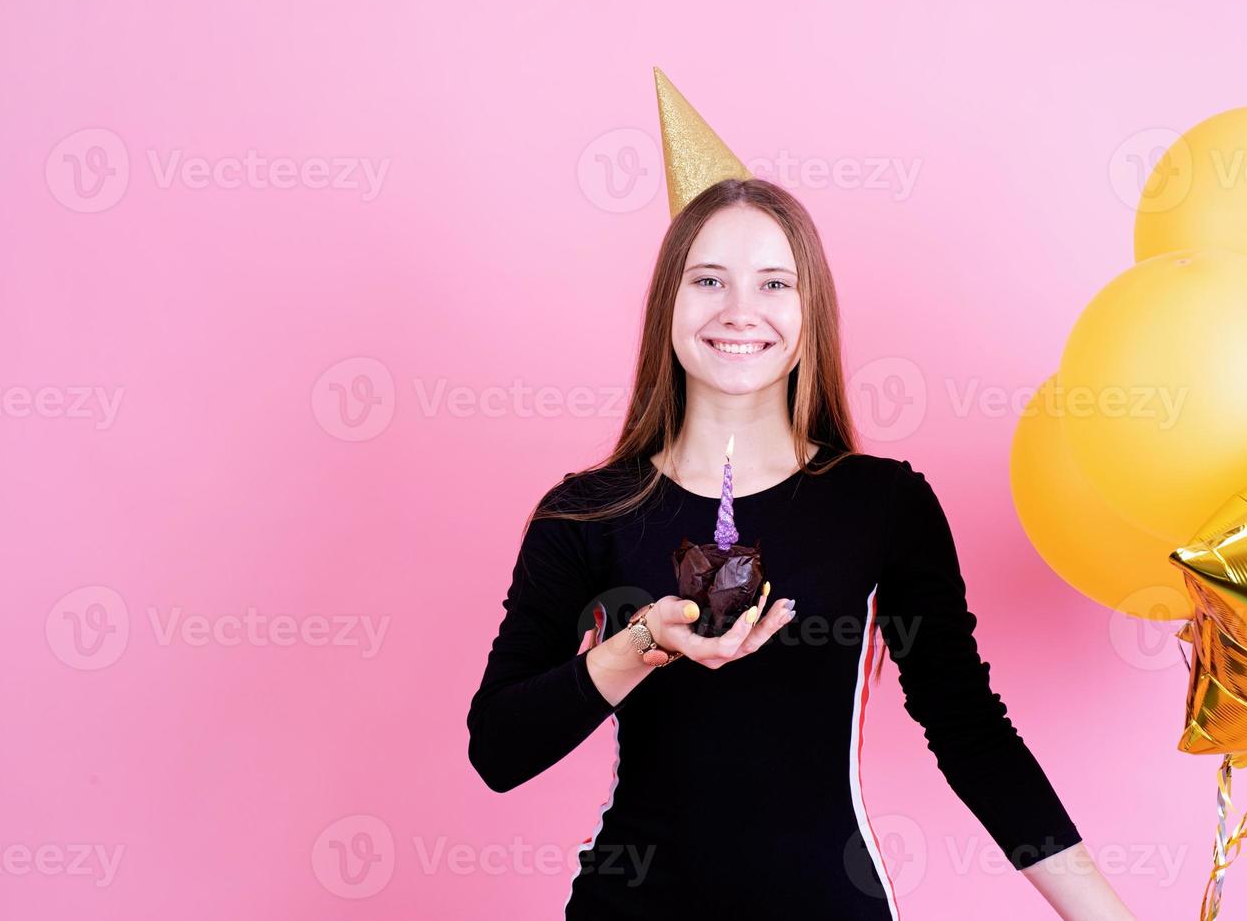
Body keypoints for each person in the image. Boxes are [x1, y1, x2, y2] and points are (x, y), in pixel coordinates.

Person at [467, 171, 1136, 918]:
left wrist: (1104, 915)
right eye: (709, 279)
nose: (739, 311)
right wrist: (642, 642)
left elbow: (969, 728)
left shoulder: (881, 504)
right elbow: (498, 749)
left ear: (809, 307)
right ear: (668, 304)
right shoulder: (588, 513)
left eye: (774, 283)